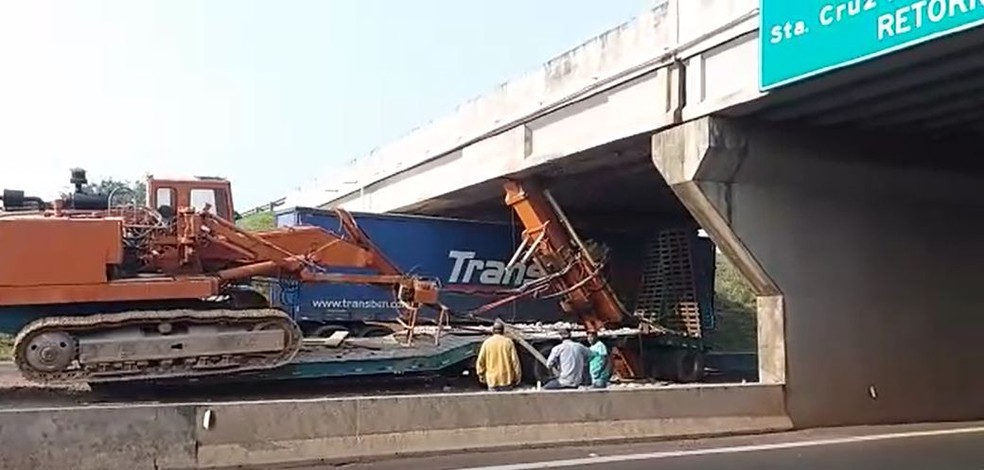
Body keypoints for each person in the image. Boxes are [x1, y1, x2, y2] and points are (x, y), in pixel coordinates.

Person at [475, 320, 522, 391]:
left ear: (493, 331)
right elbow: (515, 361)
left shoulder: (487, 343)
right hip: (506, 379)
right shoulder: (508, 342)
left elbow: (480, 361)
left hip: (492, 380)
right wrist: (518, 376)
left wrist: (481, 374)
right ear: (503, 331)